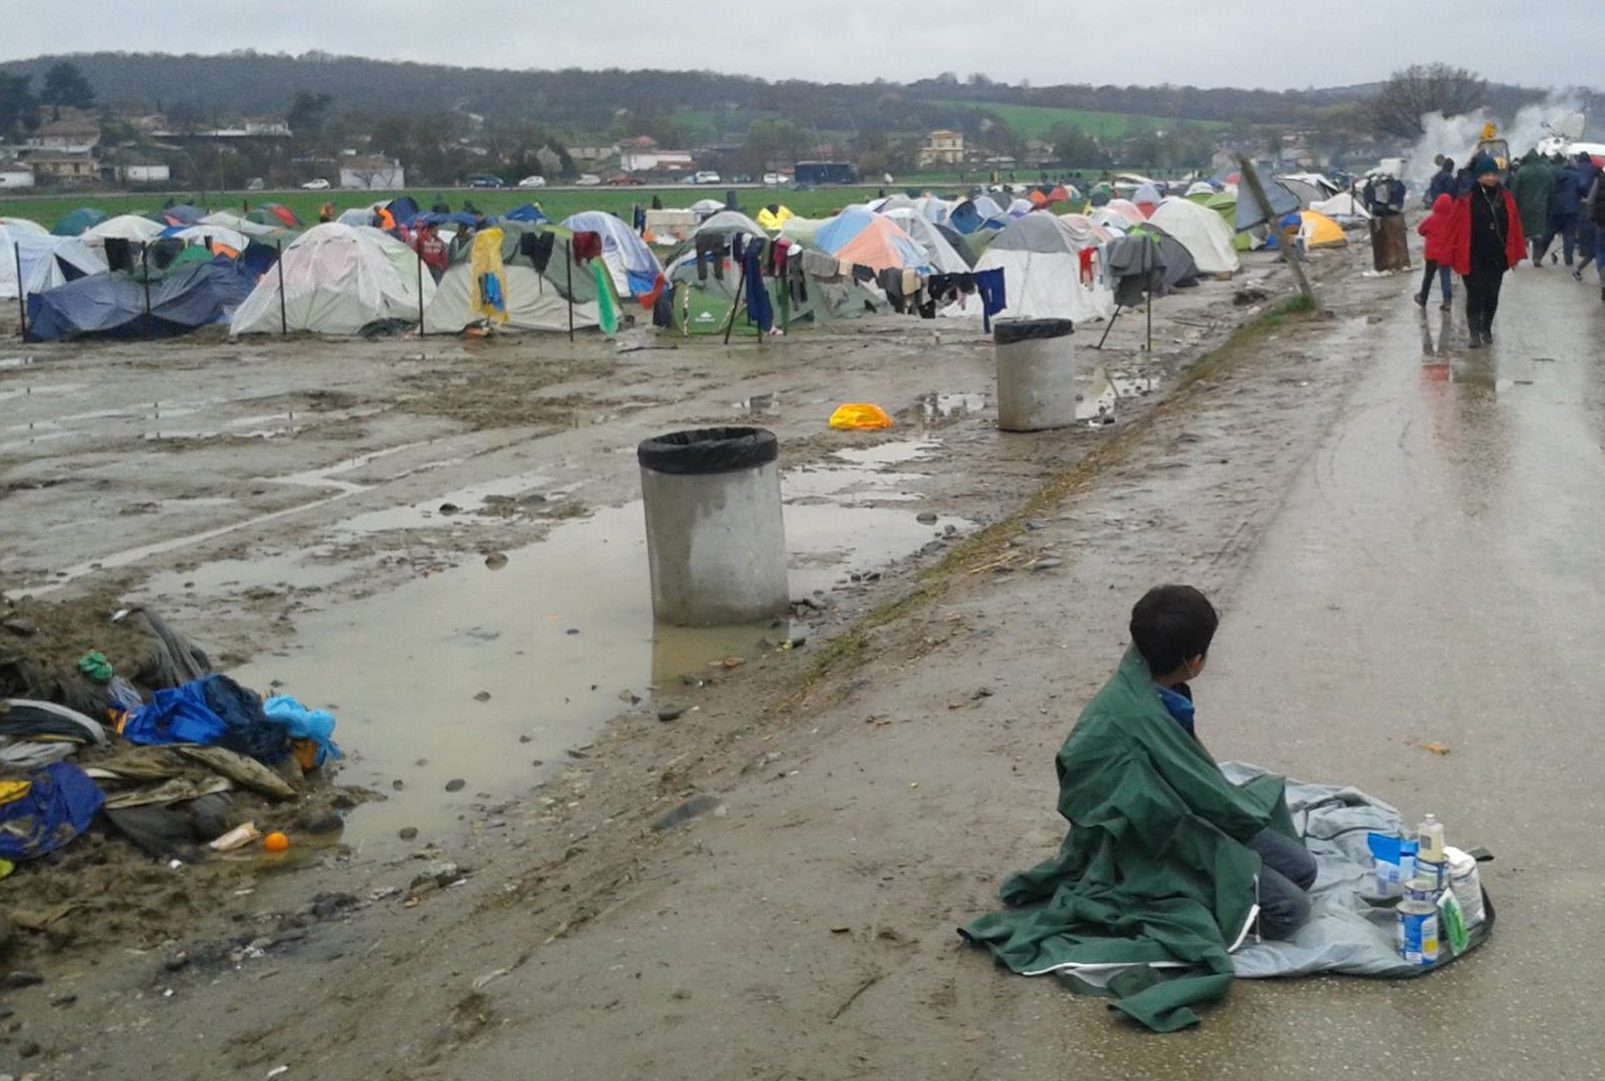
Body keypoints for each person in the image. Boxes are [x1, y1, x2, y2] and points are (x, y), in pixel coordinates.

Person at [1448, 154, 1526, 348]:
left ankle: (1486, 327)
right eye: (1486, 174)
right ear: (1478, 176)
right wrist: (1451, 253)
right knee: (1474, 294)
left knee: (1492, 295)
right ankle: (1474, 333)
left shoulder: (1506, 197)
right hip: (1472, 255)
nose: (1491, 178)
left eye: (1494, 173)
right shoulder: (1466, 198)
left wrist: (1515, 252)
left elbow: (1514, 226)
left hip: (1496, 256)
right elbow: (1454, 228)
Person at [1510, 150, 1556, 266]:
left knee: (1521, 233)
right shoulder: (1546, 172)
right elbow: (1551, 192)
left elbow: (1514, 191)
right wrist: (1551, 208)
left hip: (1523, 208)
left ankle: (1517, 257)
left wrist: (1511, 207)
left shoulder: (1521, 172)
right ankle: (1537, 258)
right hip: (1541, 207)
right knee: (1538, 233)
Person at [1550, 152, 1593, 267]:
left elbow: (1552, 188)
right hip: (1573, 208)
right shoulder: (1581, 174)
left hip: (1557, 207)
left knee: (1549, 232)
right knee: (1569, 234)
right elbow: (1583, 187)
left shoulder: (1558, 174)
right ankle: (1568, 260)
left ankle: (1538, 255)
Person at [1416, 193, 1456, 310]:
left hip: (1432, 254)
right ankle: (1447, 301)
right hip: (1446, 254)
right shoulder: (1452, 220)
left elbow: (1421, 230)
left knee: (1428, 277)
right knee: (1445, 277)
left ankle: (1423, 298)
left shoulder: (1432, 219)